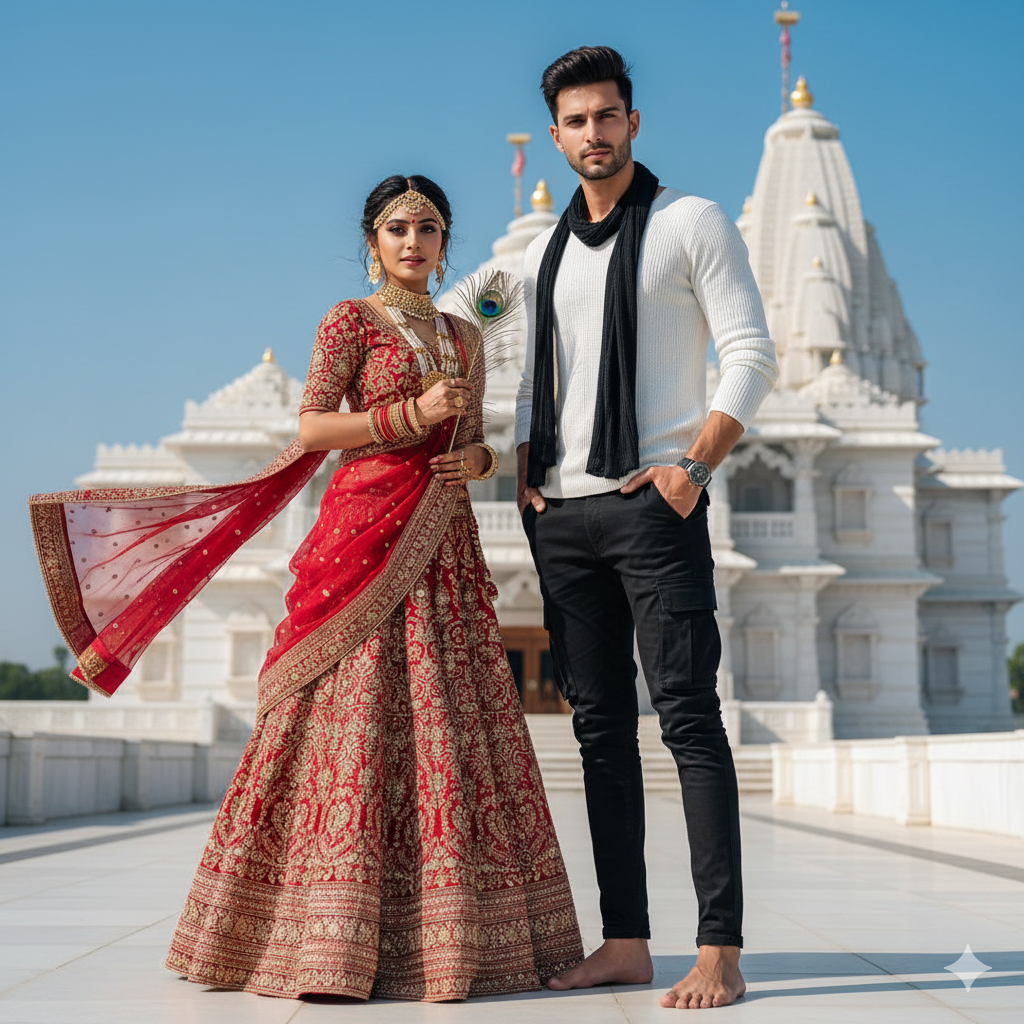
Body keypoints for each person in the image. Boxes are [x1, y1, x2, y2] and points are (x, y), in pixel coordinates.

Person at [29, 174, 583, 1002]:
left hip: (443, 538)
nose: (412, 241)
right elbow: (314, 427)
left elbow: (472, 441)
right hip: (363, 529)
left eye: (429, 228)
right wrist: (406, 415)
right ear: (372, 241)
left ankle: (460, 943)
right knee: (339, 707)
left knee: (450, 714)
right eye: (396, 227)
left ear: (444, 244)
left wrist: (480, 459)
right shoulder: (349, 321)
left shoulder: (469, 337)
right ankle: (309, 936)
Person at [515, 48, 779, 1009]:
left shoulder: (689, 222)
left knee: (689, 720)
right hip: (562, 514)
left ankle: (720, 948)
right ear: (557, 136)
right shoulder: (532, 257)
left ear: (635, 122)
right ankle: (625, 940)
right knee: (598, 735)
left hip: (653, 505)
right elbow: (462, 334)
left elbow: (750, 352)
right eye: (577, 121)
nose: (594, 134)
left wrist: (693, 467)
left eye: (608, 116)